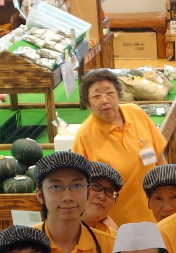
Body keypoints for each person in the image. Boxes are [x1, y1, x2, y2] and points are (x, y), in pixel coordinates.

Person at [72, 68, 168, 226]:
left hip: (155, 216)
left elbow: (159, 158)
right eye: (96, 95)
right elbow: (81, 191)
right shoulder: (84, 136)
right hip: (117, 225)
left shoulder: (136, 113)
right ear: (87, 104)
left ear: (118, 94)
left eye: (109, 92)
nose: (104, 100)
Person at [32, 151, 121, 253]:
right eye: (56, 187)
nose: (68, 197)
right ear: (40, 195)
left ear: (87, 191)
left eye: (77, 185)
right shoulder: (21, 247)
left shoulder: (112, 247)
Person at [84, 162, 123, 236]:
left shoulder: (114, 241)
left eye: (110, 191)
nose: (102, 196)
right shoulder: (56, 233)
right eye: (95, 186)